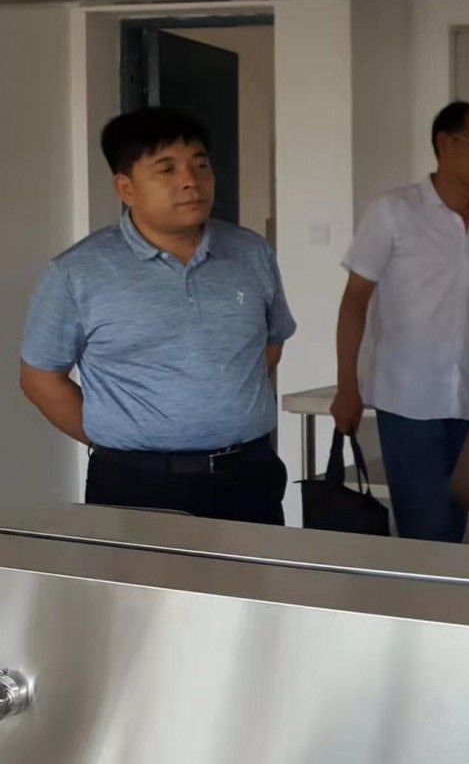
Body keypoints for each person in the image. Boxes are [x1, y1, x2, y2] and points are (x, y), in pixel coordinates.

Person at [20, 108, 295, 525]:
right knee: (141, 572)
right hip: (137, 483)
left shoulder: (251, 252)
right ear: (126, 188)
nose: (190, 181)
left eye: (200, 165)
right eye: (167, 170)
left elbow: (270, 344)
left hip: (248, 474)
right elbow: (40, 379)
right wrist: (118, 439)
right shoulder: (78, 272)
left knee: (254, 571)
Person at [331, 101, 469, 543]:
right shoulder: (393, 211)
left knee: (454, 523)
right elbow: (354, 302)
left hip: (468, 398)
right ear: (444, 144)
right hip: (408, 400)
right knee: (425, 528)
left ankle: (445, 590)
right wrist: (347, 386)